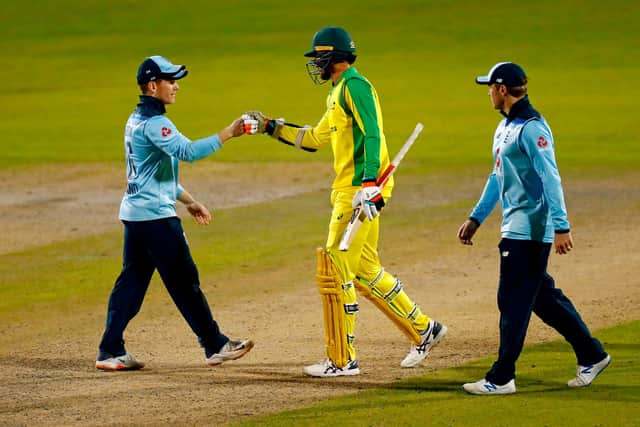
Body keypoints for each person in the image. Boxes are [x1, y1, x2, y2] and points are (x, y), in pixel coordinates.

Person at [243, 27, 446, 377]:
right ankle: (424, 329)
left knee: (334, 270)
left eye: (318, 57)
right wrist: (271, 127)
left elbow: (372, 133)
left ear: (333, 58)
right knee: (365, 271)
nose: (315, 64)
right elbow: (316, 138)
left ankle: (341, 360)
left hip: (360, 192)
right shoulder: (338, 92)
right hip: (353, 190)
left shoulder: (356, 86)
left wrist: (369, 184)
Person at [457, 62, 610, 394]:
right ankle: (592, 354)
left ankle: (501, 378)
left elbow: (550, 177)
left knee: (512, 301)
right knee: (543, 299)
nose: (487, 94)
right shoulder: (505, 128)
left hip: (529, 230)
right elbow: (498, 177)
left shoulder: (532, 128)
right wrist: (476, 217)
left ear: (501, 90)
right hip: (514, 227)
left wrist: (561, 226)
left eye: (489, 88)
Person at [96, 55, 254, 370]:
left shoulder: (136, 119)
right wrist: (228, 133)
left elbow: (154, 174)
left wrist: (188, 200)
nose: (176, 86)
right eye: (171, 81)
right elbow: (189, 152)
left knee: (131, 283)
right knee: (184, 281)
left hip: (137, 214)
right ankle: (214, 344)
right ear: (153, 86)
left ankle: (110, 350)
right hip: (155, 218)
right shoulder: (157, 124)